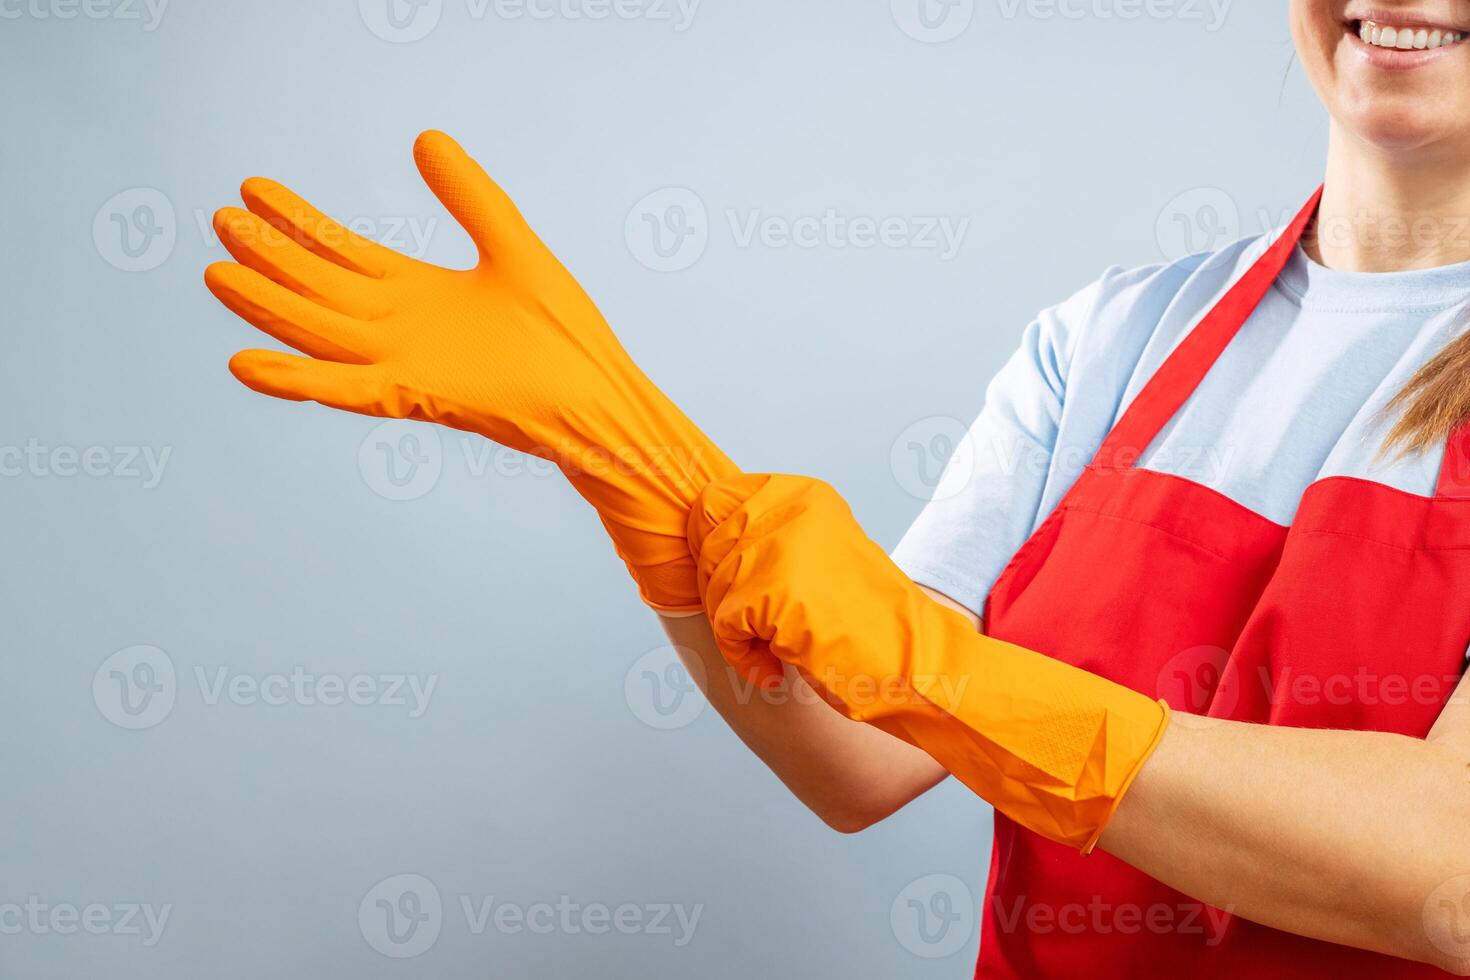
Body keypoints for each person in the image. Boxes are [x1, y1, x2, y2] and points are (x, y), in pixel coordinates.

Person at [201, 3, 1470, 974]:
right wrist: (629, 448)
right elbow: (854, 752)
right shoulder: (1117, 336)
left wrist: (945, 672)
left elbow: (1447, 876)